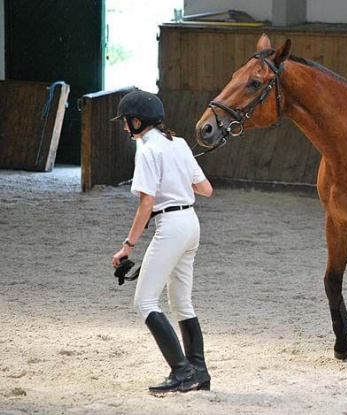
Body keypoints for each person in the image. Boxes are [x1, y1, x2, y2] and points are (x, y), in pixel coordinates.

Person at [110, 90, 213, 393]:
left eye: (126, 121)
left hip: (170, 224)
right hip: (192, 223)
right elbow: (205, 189)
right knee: (181, 302)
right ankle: (199, 372)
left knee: (144, 302)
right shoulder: (178, 144)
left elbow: (146, 203)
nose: (124, 127)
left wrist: (127, 245)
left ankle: (181, 372)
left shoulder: (146, 150)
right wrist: (180, 169)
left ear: (137, 121)